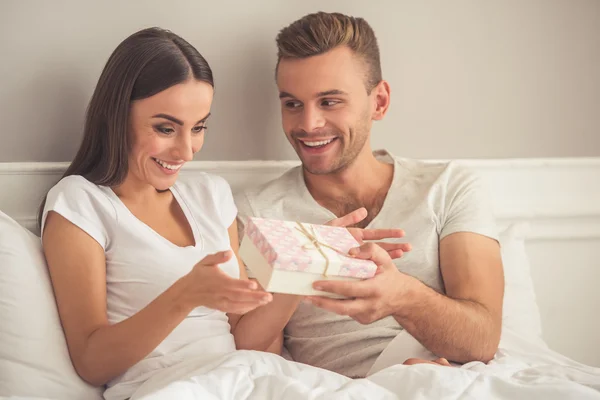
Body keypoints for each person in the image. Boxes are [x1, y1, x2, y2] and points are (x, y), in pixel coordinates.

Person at [39, 27, 407, 400]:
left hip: (244, 376)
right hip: (171, 387)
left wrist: (306, 265)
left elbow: (244, 339)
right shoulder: (81, 203)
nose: (186, 151)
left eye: (198, 127)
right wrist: (184, 295)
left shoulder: (210, 195)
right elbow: (91, 361)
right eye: (166, 128)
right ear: (118, 115)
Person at [235, 11, 505, 379]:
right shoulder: (257, 211)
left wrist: (402, 295)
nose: (308, 124)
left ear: (378, 102)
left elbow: (483, 338)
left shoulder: (448, 186)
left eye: (329, 102)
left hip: (447, 379)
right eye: (292, 103)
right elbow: (249, 355)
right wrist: (302, 260)